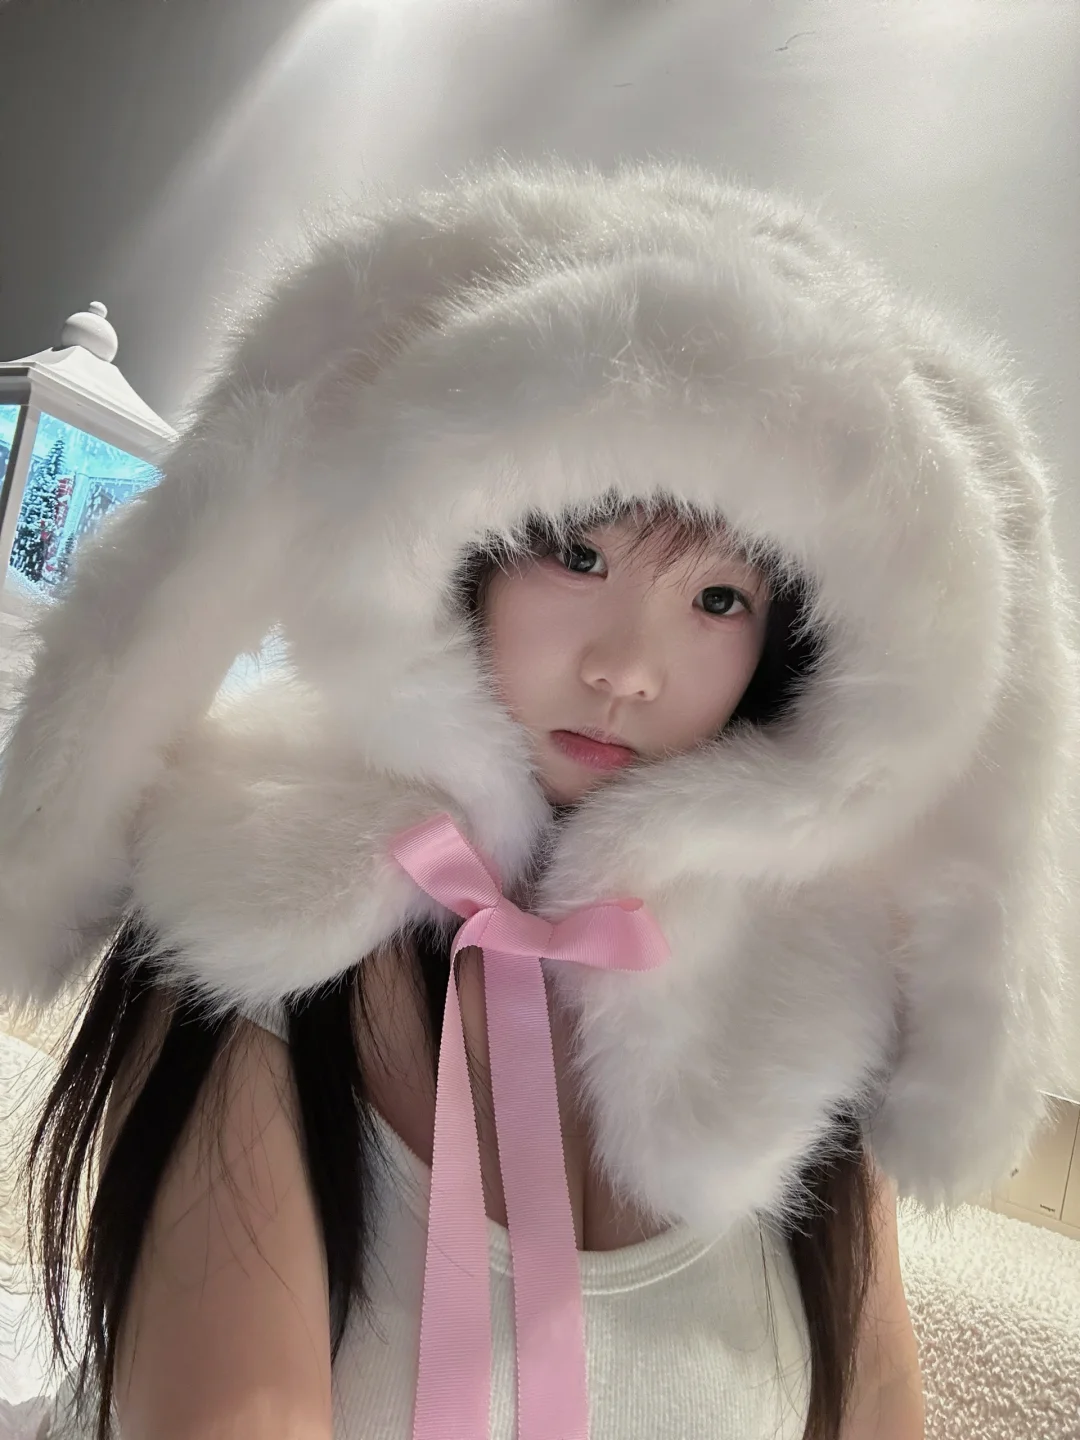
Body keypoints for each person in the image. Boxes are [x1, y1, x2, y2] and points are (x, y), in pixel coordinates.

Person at [3, 161, 1075, 1440]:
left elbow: (877, 1407)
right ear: (459, 546)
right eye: (578, 553)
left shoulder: (802, 1014)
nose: (628, 667)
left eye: (718, 599)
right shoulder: (255, 909)